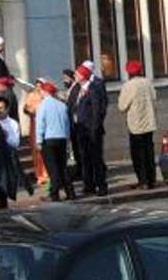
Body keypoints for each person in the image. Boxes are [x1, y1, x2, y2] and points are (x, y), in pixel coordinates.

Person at [116, 60, 157, 190]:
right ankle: (152, 180)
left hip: (136, 125)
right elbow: (154, 98)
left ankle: (143, 181)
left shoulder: (128, 86)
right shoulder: (147, 82)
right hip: (149, 123)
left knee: (138, 155)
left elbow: (122, 106)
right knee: (149, 152)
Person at [35, 80, 74, 200]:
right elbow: (67, 124)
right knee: (62, 166)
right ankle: (70, 192)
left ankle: (54, 193)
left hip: (49, 139)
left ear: (45, 92)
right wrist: (67, 138)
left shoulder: (42, 105)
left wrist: (38, 140)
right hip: (61, 138)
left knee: (53, 168)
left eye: (41, 90)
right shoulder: (62, 105)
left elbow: (40, 124)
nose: (40, 93)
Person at [73, 61, 109, 196]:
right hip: (80, 130)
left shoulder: (93, 89)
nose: (75, 75)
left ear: (84, 75)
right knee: (84, 158)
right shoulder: (77, 89)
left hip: (92, 131)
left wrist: (94, 128)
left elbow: (97, 111)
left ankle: (102, 186)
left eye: (77, 73)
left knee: (96, 159)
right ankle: (89, 186)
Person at [21, 79, 48, 193]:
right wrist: (29, 110)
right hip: (34, 124)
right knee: (35, 151)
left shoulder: (46, 96)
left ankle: (46, 174)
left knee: (44, 150)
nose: (38, 88)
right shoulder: (31, 95)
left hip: (44, 125)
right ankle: (39, 175)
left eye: (40, 86)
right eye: (37, 85)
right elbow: (25, 109)